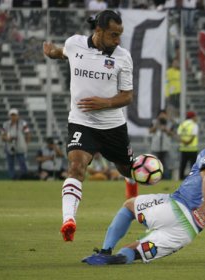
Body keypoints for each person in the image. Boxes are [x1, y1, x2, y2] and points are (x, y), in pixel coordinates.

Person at [82, 120, 205, 265]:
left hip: (175, 207)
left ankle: (104, 251)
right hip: (186, 233)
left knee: (130, 206)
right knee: (135, 250)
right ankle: (117, 258)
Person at [43, 10, 138, 242]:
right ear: (98, 31)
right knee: (75, 167)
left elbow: (127, 96)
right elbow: (64, 53)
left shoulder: (123, 57)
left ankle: (131, 186)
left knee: (127, 169)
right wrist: (52, 52)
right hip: (81, 121)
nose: (117, 40)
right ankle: (68, 220)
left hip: (113, 126)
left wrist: (104, 103)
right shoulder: (75, 44)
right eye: (113, 35)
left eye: (120, 35)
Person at [0, 108, 31, 179]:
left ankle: (24, 177)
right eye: (12, 115)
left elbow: (28, 134)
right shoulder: (5, 124)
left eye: (14, 115)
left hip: (20, 146)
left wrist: (26, 144)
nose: (13, 117)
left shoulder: (23, 123)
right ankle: (12, 177)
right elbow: (2, 135)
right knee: (10, 164)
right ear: (9, 116)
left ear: (18, 116)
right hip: (9, 146)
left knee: (22, 162)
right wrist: (8, 138)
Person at [149, 110, 175, 179]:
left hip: (166, 147)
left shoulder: (169, 123)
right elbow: (150, 131)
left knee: (166, 165)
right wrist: (157, 124)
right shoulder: (154, 122)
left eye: (164, 114)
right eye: (161, 114)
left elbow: (173, 134)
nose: (162, 116)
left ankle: (167, 179)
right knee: (155, 164)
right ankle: (155, 178)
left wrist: (166, 129)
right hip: (155, 147)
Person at [177, 111, 199, 180]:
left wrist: (184, 142)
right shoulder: (194, 125)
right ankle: (193, 179)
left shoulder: (182, 124)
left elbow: (179, 135)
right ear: (192, 117)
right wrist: (188, 142)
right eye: (195, 116)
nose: (196, 118)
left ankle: (180, 178)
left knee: (182, 165)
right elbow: (193, 136)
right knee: (193, 166)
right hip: (192, 149)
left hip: (183, 148)